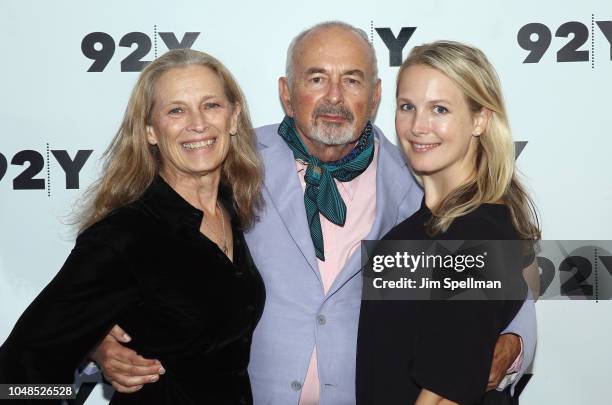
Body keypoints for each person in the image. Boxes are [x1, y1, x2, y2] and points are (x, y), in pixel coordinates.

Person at [93, 23, 536, 405]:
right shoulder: (229, 159)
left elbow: (503, 272)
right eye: (317, 79)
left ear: (377, 95)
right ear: (286, 93)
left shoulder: (422, 174)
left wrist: (513, 343)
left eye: (352, 80)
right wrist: (96, 339)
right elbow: (125, 246)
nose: (334, 98)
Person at [0, 49, 265, 404]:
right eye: (176, 110)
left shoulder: (230, 206)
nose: (198, 123)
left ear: (233, 118)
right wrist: (92, 345)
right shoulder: (125, 236)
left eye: (211, 105)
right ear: (151, 131)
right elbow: (17, 371)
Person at [356, 41, 540, 404]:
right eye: (407, 107)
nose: (418, 125)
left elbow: (444, 394)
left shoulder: (479, 232)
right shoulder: (417, 228)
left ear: (479, 120)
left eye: (439, 109)